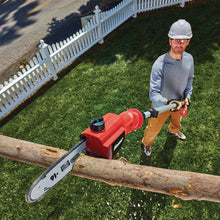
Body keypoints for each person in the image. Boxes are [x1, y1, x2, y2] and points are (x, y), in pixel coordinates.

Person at [142, 19, 194, 157]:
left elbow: (189, 79)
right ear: (170, 41)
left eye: (183, 40)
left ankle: (173, 130)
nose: (179, 43)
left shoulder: (189, 59)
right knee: (152, 130)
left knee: (177, 122)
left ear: (188, 41)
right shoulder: (160, 64)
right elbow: (153, 93)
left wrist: (187, 97)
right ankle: (147, 144)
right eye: (176, 40)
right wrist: (167, 103)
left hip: (178, 102)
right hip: (161, 106)